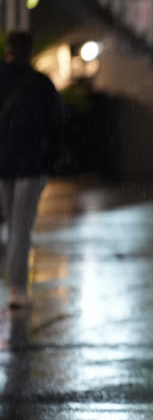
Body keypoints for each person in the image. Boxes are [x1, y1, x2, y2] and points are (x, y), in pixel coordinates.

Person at [0, 31, 67, 309]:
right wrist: (51, 159)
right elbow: (59, 123)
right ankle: (17, 288)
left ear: (8, 51)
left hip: (2, 164)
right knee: (21, 227)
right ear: (30, 52)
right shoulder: (40, 83)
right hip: (30, 164)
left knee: (10, 224)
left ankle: (14, 283)